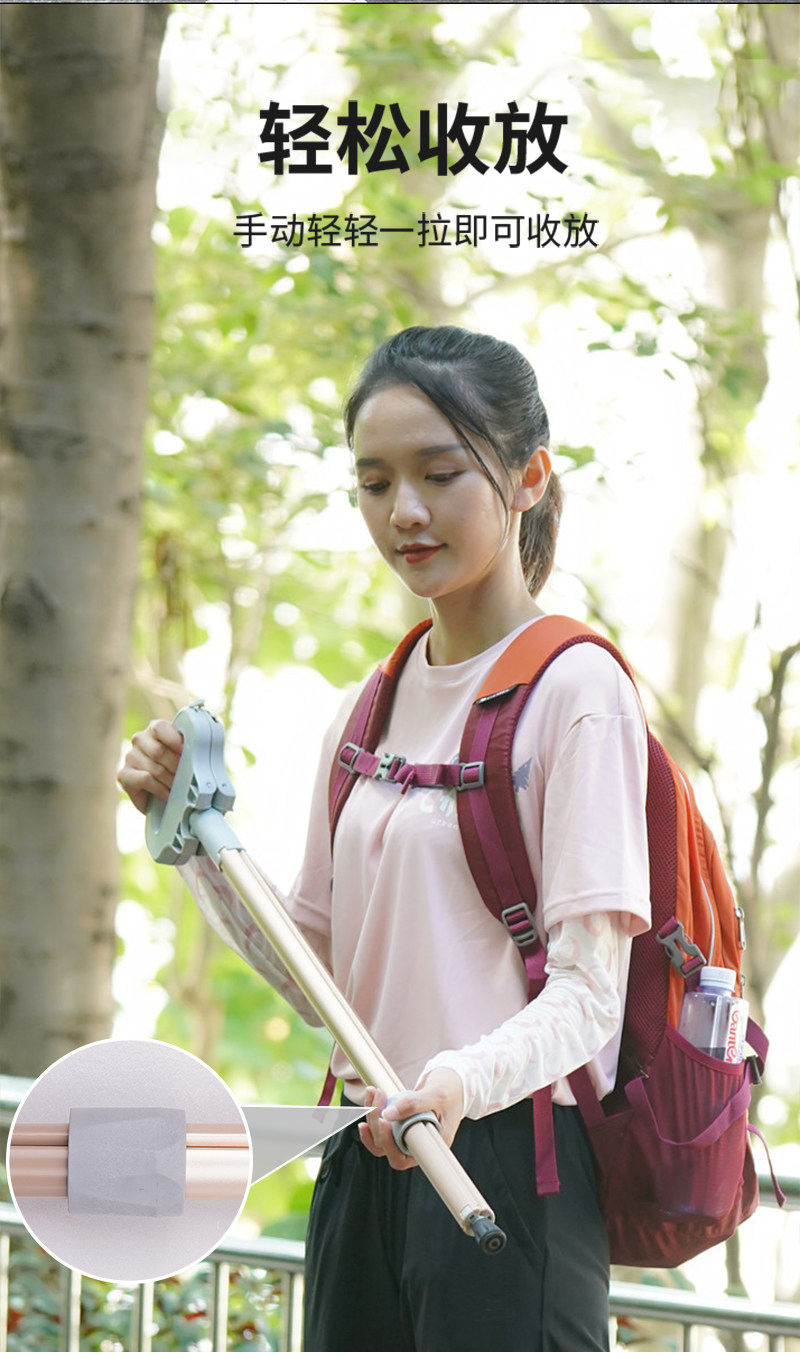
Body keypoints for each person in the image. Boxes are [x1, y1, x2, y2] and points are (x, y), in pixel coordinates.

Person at [119, 325, 651, 1352]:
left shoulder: (577, 690)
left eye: (439, 474)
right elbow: (315, 972)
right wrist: (190, 835)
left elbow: (590, 993)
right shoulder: (369, 705)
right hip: (365, 1155)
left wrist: (455, 1084)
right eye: (373, 482)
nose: (403, 511)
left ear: (528, 477)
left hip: (506, 1163)